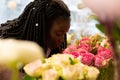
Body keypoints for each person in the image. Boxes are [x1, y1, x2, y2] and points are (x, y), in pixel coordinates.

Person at [0, 0, 70, 57]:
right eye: (59, 34)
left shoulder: (50, 48)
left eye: (65, 34)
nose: (62, 40)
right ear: (41, 28)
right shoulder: (7, 50)